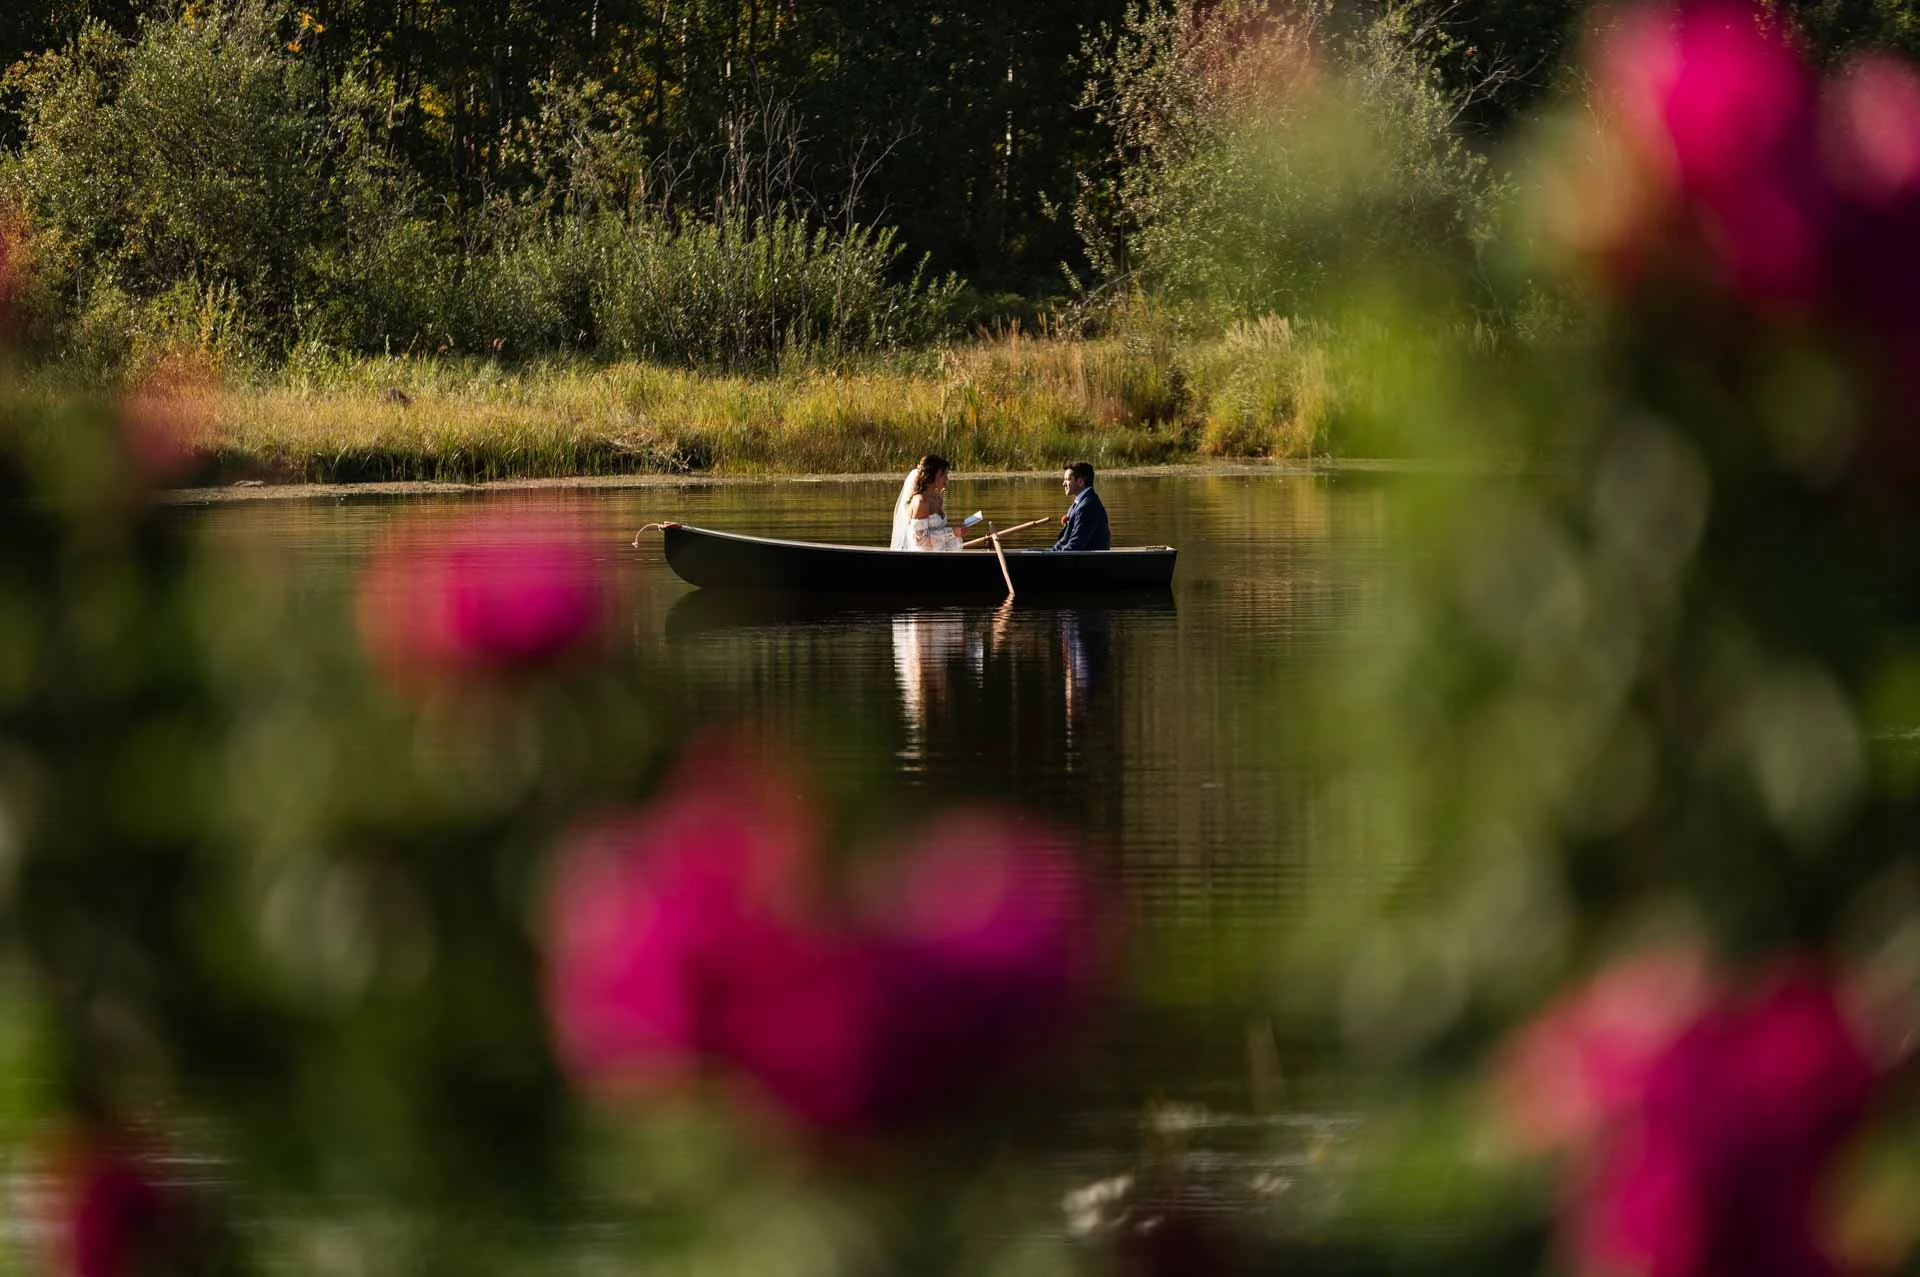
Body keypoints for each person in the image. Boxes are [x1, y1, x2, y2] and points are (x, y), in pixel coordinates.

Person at [890, 454, 965, 552]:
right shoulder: (920, 502)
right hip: (924, 556)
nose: (947, 478)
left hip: (942, 552)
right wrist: (952, 533)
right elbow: (920, 540)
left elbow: (938, 529)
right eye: (944, 475)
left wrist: (958, 529)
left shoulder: (938, 498)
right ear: (934, 475)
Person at [1052, 461, 1111, 551]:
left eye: (1068, 479)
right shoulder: (1080, 504)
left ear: (1080, 482)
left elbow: (1076, 545)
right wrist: (1053, 551)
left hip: (1089, 561)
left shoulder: (1087, 506)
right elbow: (1066, 541)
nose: (1063, 484)